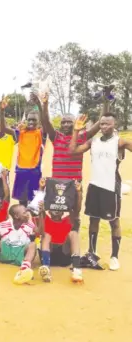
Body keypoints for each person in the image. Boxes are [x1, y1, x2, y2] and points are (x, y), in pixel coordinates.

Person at [69, 113, 132, 271]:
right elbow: (72, 151)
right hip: (94, 186)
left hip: (111, 187)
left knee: (114, 222)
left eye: (107, 124)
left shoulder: (119, 142)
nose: (103, 127)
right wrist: (76, 131)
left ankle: (114, 256)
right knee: (93, 220)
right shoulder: (94, 141)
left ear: (114, 125)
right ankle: (92, 252)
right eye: (101, 124)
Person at [37, 90, 104, 180]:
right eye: (63, 122)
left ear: (75, 122)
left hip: (75, 183)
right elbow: (45, 121)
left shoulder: (82, 136)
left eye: (69, 122)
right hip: (57, 181)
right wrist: (45, 104)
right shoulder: (56, 136)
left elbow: (101, 122)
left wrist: (106, 102)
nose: (65, 124)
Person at [0, 97, 46, 206]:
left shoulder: (40, 133)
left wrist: (40, 104)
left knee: (34, 202)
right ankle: (22, 222)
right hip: (21, 171)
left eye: (33, 120)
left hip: (35, 171)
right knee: (22, 202)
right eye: (29, 119)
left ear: (38, 121)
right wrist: (2, 111)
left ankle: (32, 222)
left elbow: (45, 121)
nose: (30, 122)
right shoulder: (21, 133)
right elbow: (3, 129)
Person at [37, 178, 83, 283]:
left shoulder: (70, 215)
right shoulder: (45, 214)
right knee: (46, 235)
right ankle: (46, 268)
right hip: (49, 254)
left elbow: (77, 208)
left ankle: (76, 268)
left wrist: (78, 192)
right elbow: (40, 232)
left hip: (65, 256)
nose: (56, 211)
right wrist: (41, 188)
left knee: (74, 234)